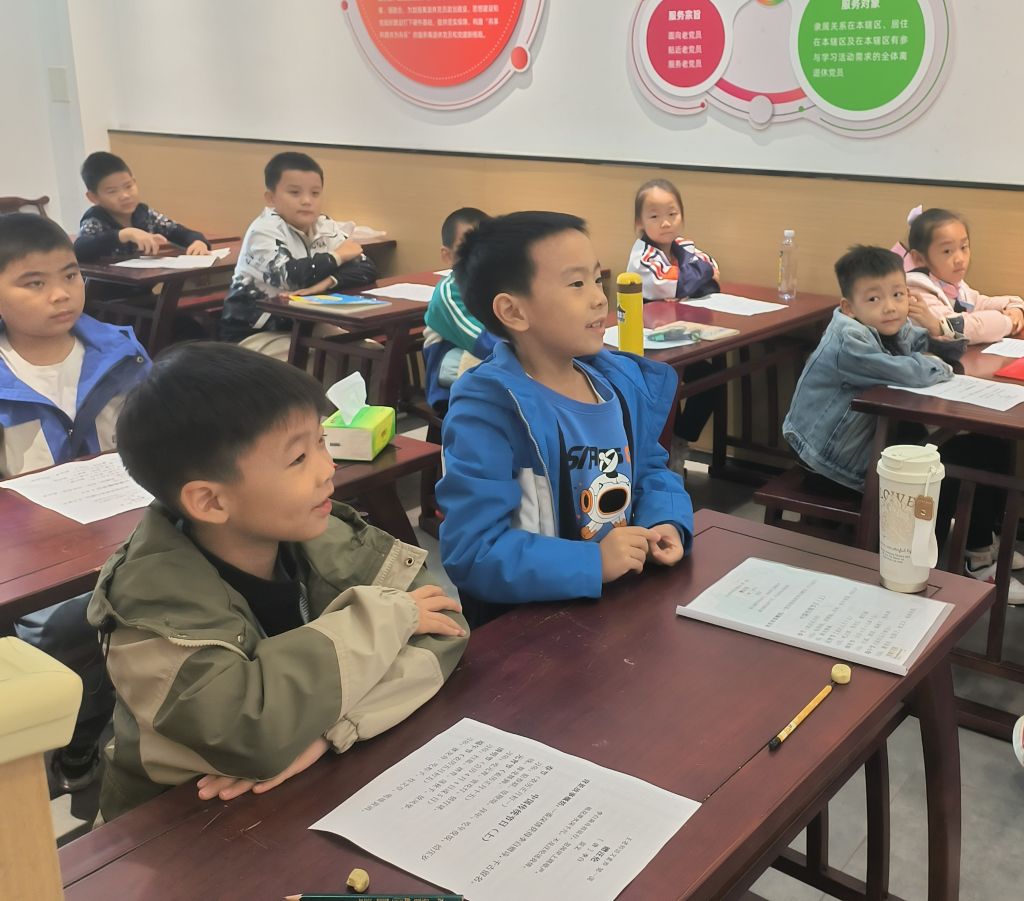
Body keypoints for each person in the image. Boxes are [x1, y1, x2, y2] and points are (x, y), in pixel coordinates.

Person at [87, 342, 468, 819]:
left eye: (322, 441)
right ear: (210, 501)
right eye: (298, 459)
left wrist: (331, 731)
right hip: (178, 821)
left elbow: (445, 630)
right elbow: (251, 732)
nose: (328, 468)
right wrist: (390, 618)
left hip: (311, 788)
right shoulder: (149, 603)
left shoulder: (325, 531)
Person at [436, 211, 693, 626]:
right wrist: (593, 562)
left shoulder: (617, 384)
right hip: (534, 630)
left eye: (597, 279)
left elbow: (648, 470)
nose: (599, 298)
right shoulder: (488, 409)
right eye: (576, 284)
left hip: (621, 609)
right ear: (513, 311)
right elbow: (474, 551)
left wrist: (665, 520)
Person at [0, 212, 150, 792]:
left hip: (130, 528)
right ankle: (79, 743)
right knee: (77, 623)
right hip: (34, 559)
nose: (61, 294)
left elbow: (161, 439)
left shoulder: (120, 353)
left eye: (69, 274)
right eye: (34, 282)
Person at [783, 245, 1023, 601]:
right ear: (849, 307)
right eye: (874, 298)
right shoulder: (849, 338)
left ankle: (976, 549)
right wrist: (941, 365)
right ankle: (924, 572)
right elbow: (908, 370)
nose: (890, 307)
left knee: (988, 447)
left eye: (898, 295)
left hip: (861, 442)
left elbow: (928, 343)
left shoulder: (886, 324)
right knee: (936, 472)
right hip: (826, 459)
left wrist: (936, 329)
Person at [220, 151, 378, 352]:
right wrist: (337, 256)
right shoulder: (263, 231)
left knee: (371, 353)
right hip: (255, 333)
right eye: (295, 193)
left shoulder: (325, 225)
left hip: (307, 324)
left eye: (315, 193)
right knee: (319, 362)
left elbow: (366, 268)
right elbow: (290, 276)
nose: (307, 201)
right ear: (271, 198)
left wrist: (323, 284)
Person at [626, 178, 721, 468]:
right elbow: (678, 284)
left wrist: (697, 278)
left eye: (672, 214)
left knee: (714, 378)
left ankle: (680, 440)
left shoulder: (683, 246)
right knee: (670, 385)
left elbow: (712, 268)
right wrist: (696, 278)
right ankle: (665, 456)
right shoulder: (643, 256)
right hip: (648, 345)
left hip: (681, 336)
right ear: (639, 222)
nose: (665, 223)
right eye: (654, 216)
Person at [904, 207, 1024, 344]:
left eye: (963, 247)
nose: (960, 259)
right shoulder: (916, 290)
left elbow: (980, 303)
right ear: (919, 258)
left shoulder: (952, 284)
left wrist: (1015, 307)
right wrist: (1007, 322)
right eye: (947, 251)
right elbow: (959, 328)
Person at [422, 207, 498, 413]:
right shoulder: (449, 291)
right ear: (447, 256)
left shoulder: (498, 283)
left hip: (488, 362)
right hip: (449, 378)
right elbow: (484, 344)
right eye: (466, 248)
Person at [74, 151, 210, 264]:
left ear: (135, 182)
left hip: (143, 285)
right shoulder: (95, 220)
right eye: (112, 191)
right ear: (93, 197)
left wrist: (198, 242)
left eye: (128, 186)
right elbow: (80, 249)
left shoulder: (144, 214)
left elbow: (180, 232)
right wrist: (125, 234)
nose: (125, 195)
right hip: (105, 289)